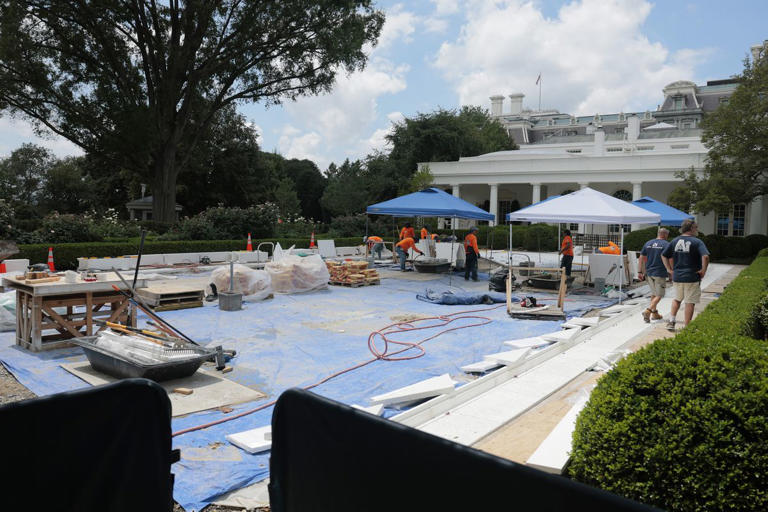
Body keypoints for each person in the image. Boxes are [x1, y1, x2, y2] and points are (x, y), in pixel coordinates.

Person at [661, 219, 710, 332]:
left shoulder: (674, 241)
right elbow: (706, 256)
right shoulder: (697, 242)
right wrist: (703, 270)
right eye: (696, 227)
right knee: (689, 302)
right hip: (692, 277)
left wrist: (669, 269)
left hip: (677, 276)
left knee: (677, 299)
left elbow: (664, 255)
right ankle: (687, 327)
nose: (697, 230)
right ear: (691, 228)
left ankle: (671, 321)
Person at [638, 227, 670, 323]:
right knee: (660, 294)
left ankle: (655, 314)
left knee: (654, 293)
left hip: (649, 273)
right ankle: (647, 311)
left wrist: (640, 271)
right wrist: (671, 271)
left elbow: (641, 258)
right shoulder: (667, 244)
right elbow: (670, 259)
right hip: (659, 273)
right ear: (665, 235)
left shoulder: (648, 243)